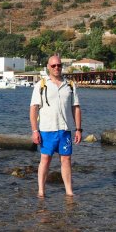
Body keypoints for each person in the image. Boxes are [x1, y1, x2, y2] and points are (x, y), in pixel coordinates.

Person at [30, 55, 82, 197]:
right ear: (48, 67)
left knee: (66, 159)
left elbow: (76, 108)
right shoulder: (41, 85)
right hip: (47, 130)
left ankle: (69, 191)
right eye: (53, 66)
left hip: (65, 130)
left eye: (59, 65)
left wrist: (78, 129)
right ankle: (41, 191)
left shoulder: (70, 85)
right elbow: (33, 109)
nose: (57, 68)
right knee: (45, 159)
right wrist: (35, 130)